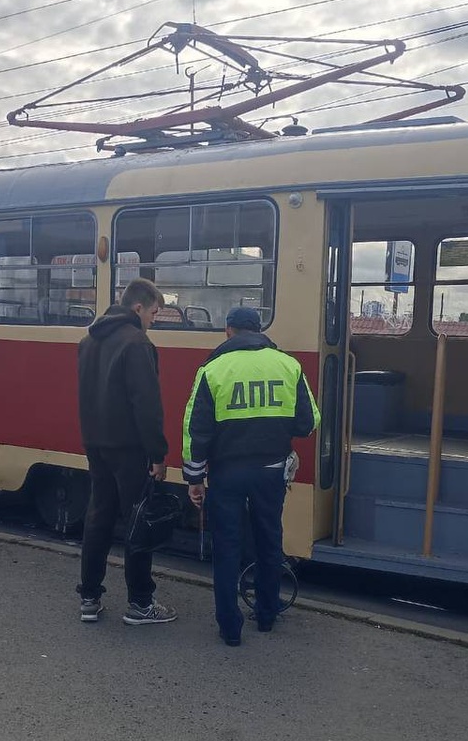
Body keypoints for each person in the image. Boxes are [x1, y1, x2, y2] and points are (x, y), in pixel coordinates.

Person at [181, 307, 319, 646]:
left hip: (227, 474)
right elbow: (308, 422)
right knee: (269, 541)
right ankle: (267, 615)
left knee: (227, 548)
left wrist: (194, 479)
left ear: (228, 331)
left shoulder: (212, 370)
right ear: (259, 330)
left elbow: (195, 430)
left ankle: (230, 629)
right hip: (271, 472)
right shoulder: (288, 365)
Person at [76, 277, 177, 626]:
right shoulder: (137, 343)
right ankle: (140, 603)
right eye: (153, 312)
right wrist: (159, 454)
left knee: (98, 517)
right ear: (138, 308)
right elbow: (146, 406)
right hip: (129, 449)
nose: (153, 319)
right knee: (138, 523)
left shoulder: (88, 340)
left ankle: (89, 597)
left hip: (96, 443)